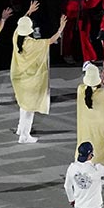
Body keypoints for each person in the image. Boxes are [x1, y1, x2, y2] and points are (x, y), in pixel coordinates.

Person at [10, 11, 67, 143]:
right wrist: (60, 28)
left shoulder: (16, 36)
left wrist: (28, 12)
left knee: (24, 105)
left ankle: (20, 128)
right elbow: (51, 41)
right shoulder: (32, 44)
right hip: (31, 80)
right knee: (29, 107)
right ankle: (24, 135)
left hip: (19, 78)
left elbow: (22, 23)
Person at [77, 64, 104, 166]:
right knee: (99, 145)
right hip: (100, 128)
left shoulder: (80, 90)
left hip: (85, 126)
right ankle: (100, 162)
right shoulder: (103, 94)